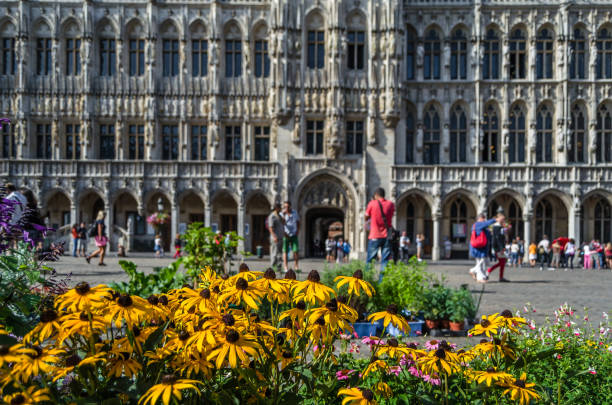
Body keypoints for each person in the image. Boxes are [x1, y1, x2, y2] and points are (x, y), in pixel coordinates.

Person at [365, 187, 395, 281]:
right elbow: (391, 215)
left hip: (374, 235)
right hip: (387, 235)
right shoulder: (390, 204)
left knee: (370, 260)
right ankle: (381, 282)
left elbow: (366, 217)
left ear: (376, 195)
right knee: (385, 261)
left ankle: (367, 281)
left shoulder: (372, 204)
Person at [469, 212, 503, 283]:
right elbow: (487, 223)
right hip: (479, 247)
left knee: (481, 262)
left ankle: (480, 277)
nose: (484, 220)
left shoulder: (480, 226)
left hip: (481, 247)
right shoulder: (478, 224)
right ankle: (473, 271)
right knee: (481, 261)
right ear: (480, 218)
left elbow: (487, 234)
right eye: (483, 218)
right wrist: (496, 220)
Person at [486, 213, 510, 282]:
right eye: (503, 219)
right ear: (499, 218)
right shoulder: (497, 227)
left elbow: (501, 237)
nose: (504, 220)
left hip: (499, 247)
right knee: (502, 262)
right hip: (498, 247)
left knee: (503, 262)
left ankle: (501, 277)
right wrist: (501, 248)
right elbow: (497, 239)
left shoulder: (500, 226)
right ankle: (489, 271)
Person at [282, 201, 300, 272]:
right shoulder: (282, 214)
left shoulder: (295, 213)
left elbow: (298, 222)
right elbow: (281, 224)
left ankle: (296, 266)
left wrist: (297, 231)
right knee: (285, 251)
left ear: (290, 206)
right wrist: (283, 215)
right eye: (285, 207)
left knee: (295, 251)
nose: (286, 208)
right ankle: (285, 267)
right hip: (286, 235)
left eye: (288, 206)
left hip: (294, 234)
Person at [267, 203, 284, 271]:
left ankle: (279, 267)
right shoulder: (272, 216)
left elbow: (284, 222)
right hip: (275, 238)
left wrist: (283, 216)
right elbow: (270, 228)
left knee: (280, 253)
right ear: (277, 208)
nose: (281, 209)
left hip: (280, 237)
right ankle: (272, 268)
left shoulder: (279, 215)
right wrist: (274, 236)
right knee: (274, 253)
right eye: (280, 208)